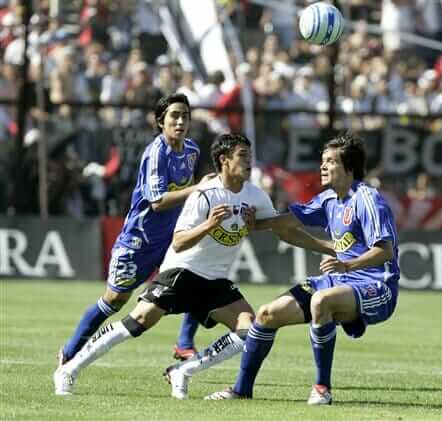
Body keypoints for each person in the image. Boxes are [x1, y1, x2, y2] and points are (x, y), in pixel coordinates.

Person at [53, 133, 335, 396]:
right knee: (138, 321)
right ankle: (69, 368)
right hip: (182, 272)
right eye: (242, 156)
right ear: (224, 161)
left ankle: (183, 370)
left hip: (215, 280)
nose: (249, 162)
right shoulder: (205, 195)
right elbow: (178, 242)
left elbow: (281, 229)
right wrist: (209, 225)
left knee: (248, 329)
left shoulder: (255, 195)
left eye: (250, 156)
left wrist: (327, 247)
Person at [202, 132, 400, 405]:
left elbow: (385, 251)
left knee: (321, 301)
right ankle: (241, 390)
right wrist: (254, 225)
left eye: (330, 161)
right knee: (267, 314)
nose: (322, 166)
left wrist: (346, 264)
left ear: (349, 167)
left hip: (377, 284)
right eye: (322, 161)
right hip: (340, 280)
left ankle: (322, 389)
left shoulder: (368, 199)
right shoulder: (328, 199)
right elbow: (286, 225)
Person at [57, 93, 215, 366]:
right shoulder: (156, 153)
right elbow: (157, 202)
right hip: (139, 241)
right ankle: (70, 352)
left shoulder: (192, 151)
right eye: (174, 116)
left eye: (185, 116)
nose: (180, 121)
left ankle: (184, 344)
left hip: (171, 239)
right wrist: (198, 187)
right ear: (160, 122)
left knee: (198, 275)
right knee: (114, 300)